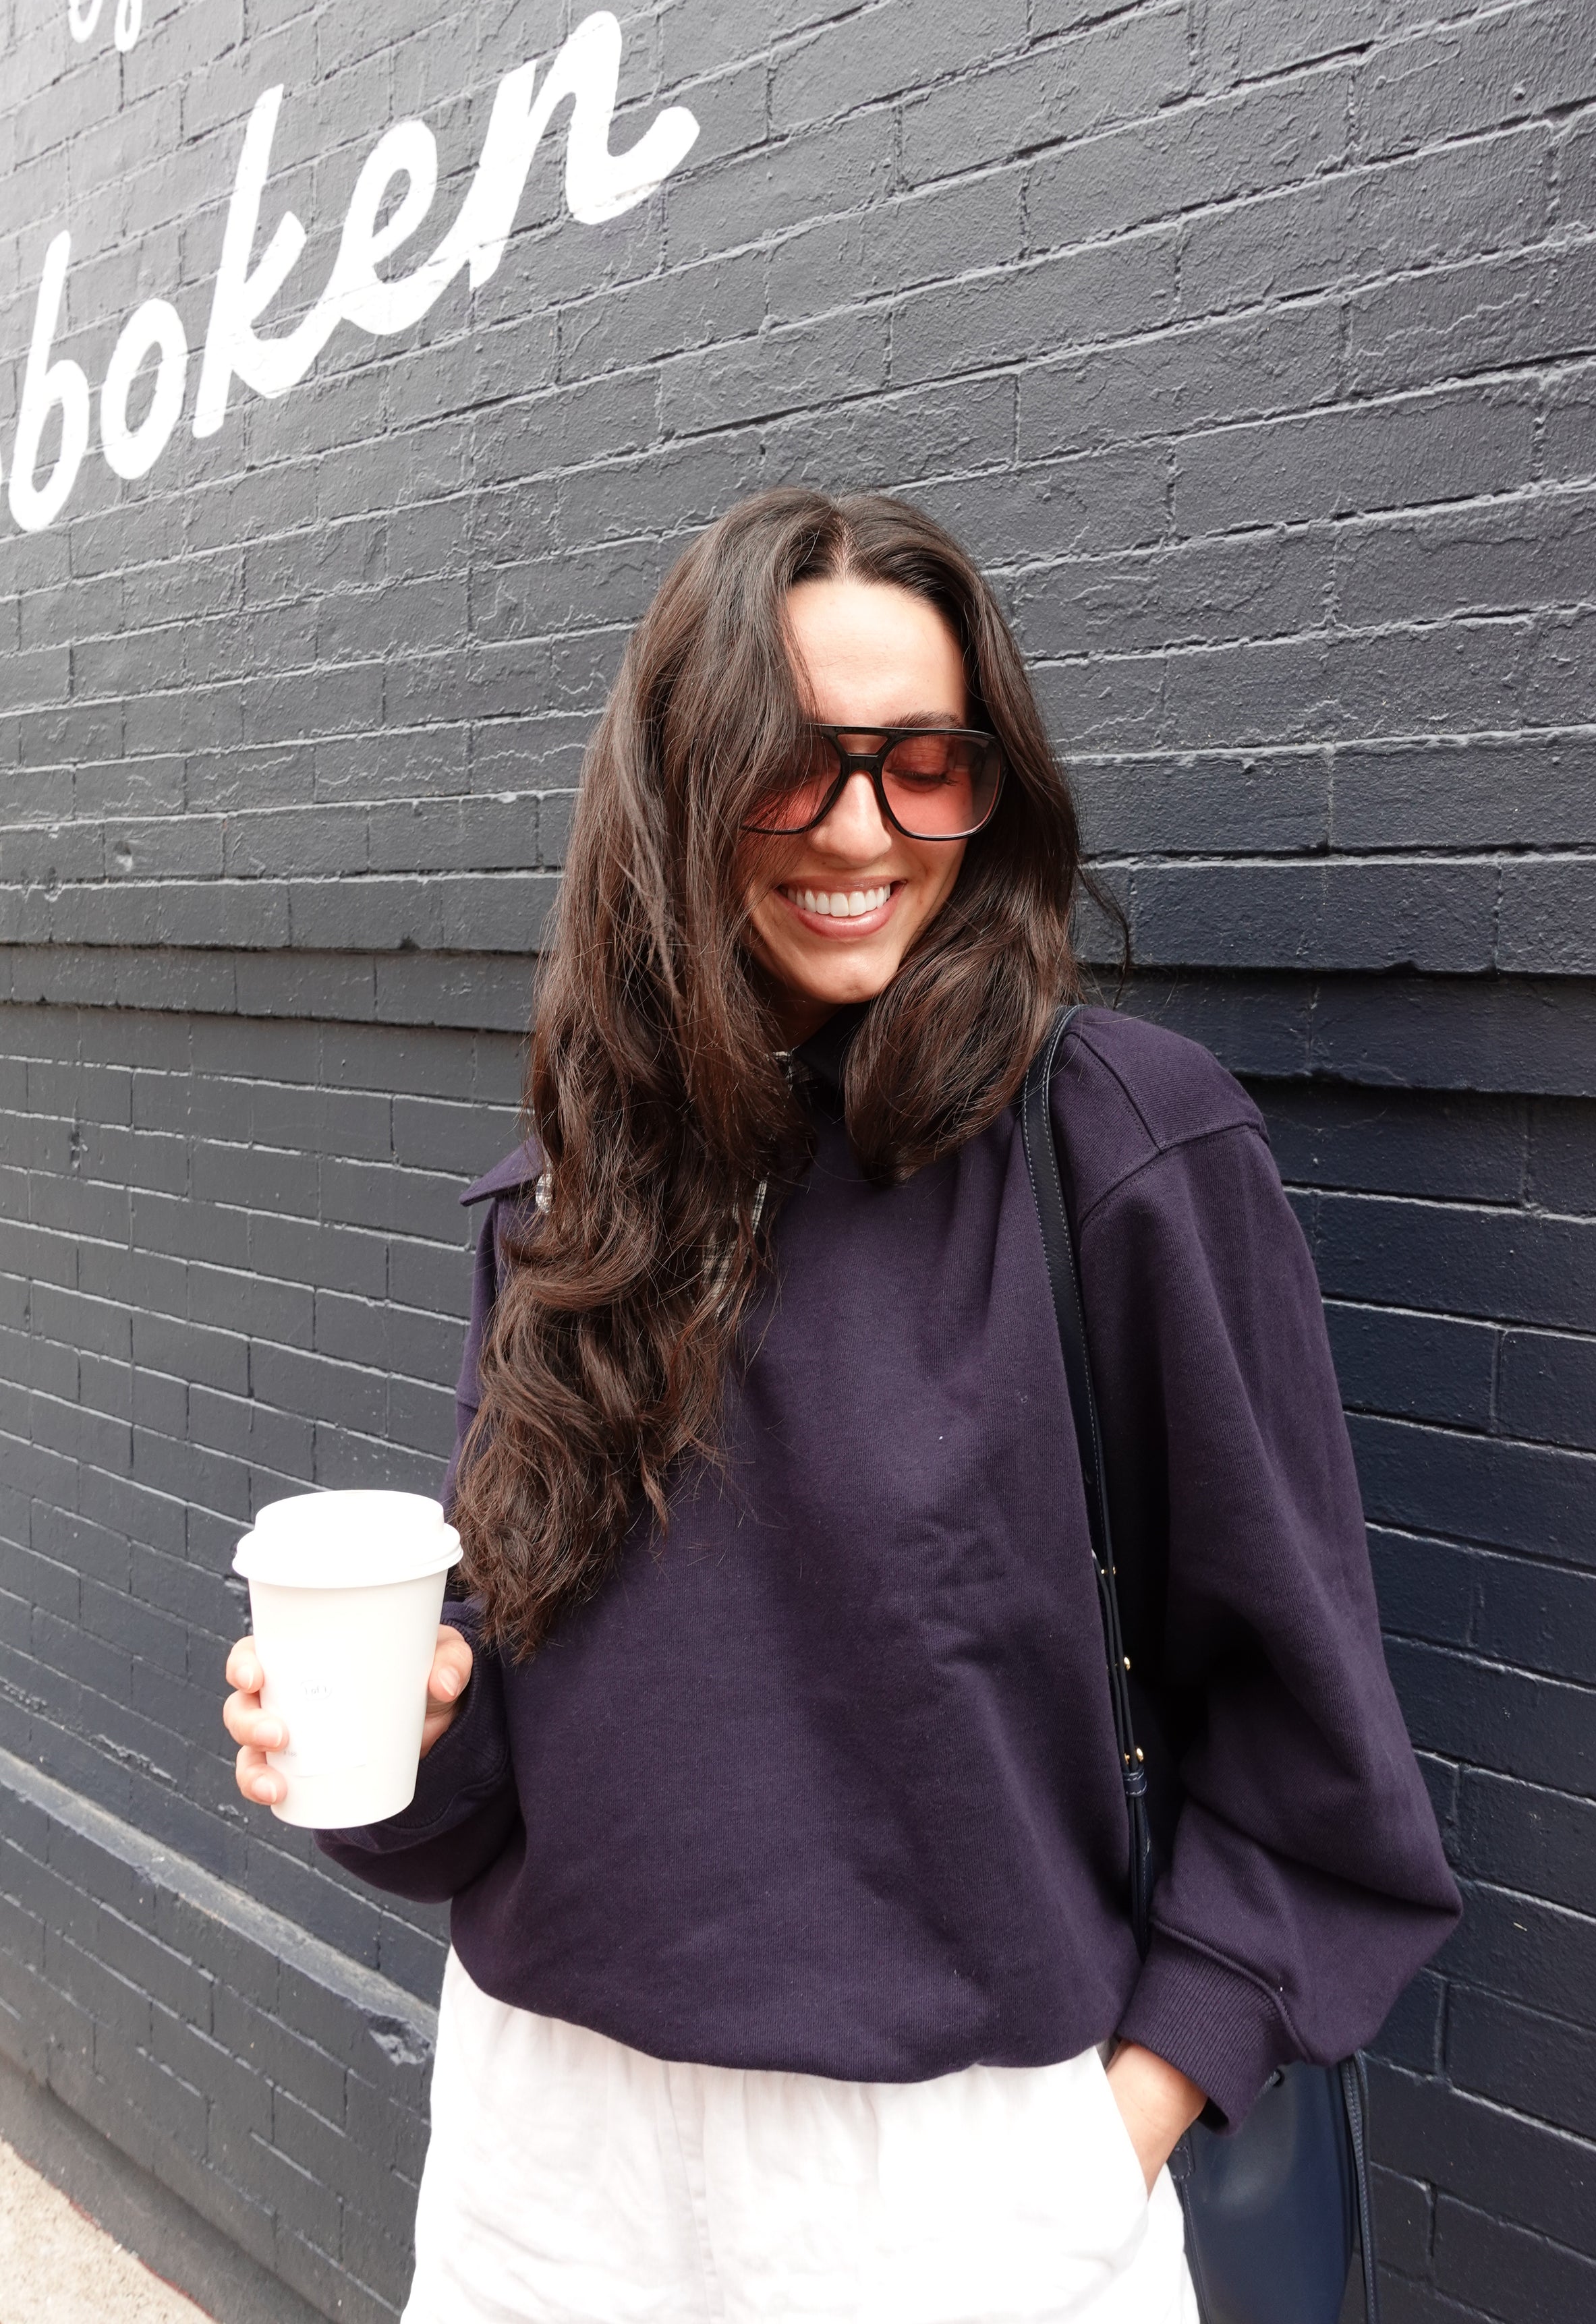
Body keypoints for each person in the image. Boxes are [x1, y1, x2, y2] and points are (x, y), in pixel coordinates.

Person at [223, 490, 1460, 2323]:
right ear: (679, 785)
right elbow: (493, 1794)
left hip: (959, 2199)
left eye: (924, 764)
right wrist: (402, 1737)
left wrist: (1114, 2128)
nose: (862, 829)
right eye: (793, 766)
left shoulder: (1119, 1151)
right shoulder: (572, 1197)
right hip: (547, 2183)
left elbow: (1311, 1748)